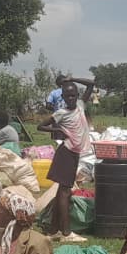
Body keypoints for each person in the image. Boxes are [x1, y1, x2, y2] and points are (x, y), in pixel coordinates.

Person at [37, 81, 92, 244]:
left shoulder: (81, 105)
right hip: (66, 153)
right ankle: (66, 233)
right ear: (62, 97)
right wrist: (58, 130)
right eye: (67, 96)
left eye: (73, 95)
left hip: (73, 153)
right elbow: (41, 126)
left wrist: (73, 79)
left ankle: (54, 231)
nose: (71, 98)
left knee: (62, 191)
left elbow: (91, 85)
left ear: (77, 95)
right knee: (65, 192)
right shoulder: (61, 113)